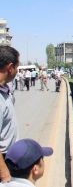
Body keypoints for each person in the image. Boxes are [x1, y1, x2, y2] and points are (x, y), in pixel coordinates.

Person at [0, 45, 20, 182]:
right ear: (10, 67)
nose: (17, 71)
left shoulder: (5, 90)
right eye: (17, 67)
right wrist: (4, 174)